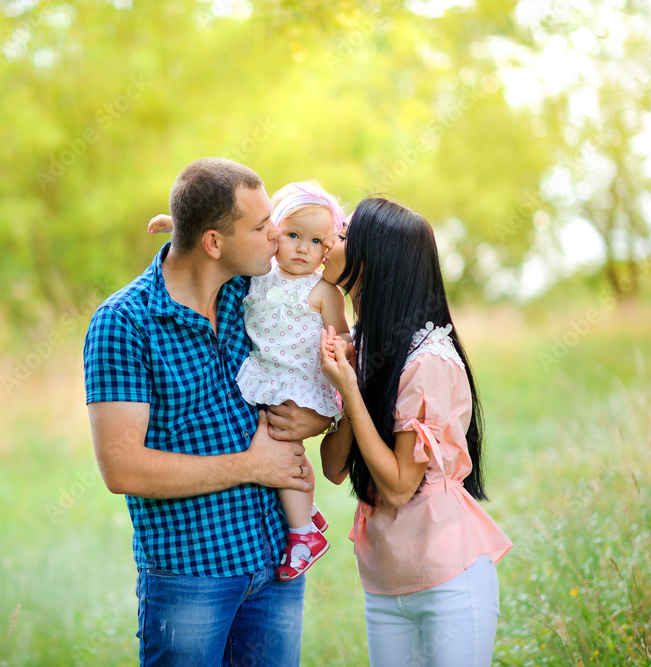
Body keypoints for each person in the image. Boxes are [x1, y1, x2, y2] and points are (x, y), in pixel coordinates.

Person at [83, 157, 334, 666]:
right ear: (214, 243)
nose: (276, 235)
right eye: (262, 227)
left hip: (276, 564)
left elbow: (330, 260)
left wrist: (321, 417)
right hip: (191, 575)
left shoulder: (250, 291)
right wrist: (253, 466)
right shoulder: (124, 323)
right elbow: (122, 468)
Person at [316, 196, 513, 667]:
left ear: (373, 257)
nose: (326, 243)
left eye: (341, 236)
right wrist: (352, 383)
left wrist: (351, 390)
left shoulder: (429, 361)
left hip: (449, 580)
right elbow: (334, 468)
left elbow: (401, 486)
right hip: (385, 584)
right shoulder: (366, 346)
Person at [148, 180, 351, 581]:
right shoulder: (259, 274)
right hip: (266, 374)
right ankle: (305, 510)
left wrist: (340, 349)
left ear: (326, 249)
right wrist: (177, 224)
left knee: (282, 443)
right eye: (292, 236)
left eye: (315, 241)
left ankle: (303, 533)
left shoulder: (324, 291)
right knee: (277, 442)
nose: (302, 249)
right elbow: (222, 238)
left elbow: (343, 335)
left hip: (299, 380)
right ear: (275, 234)